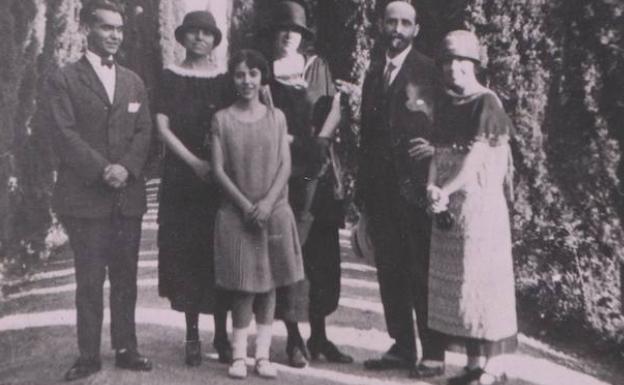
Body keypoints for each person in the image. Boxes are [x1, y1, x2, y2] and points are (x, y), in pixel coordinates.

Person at [40, 1, 153, 381]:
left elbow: (144, 132)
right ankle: (88, 354)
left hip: (127, 197)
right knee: (89, 279)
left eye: (119, 29)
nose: (115, 35)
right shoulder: (64, 79)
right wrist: (102, 169)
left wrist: (127, 167)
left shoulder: (134, 81)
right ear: (87, 28)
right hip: (85, 198)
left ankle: (127, 347)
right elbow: (63, 133)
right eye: (106, 28)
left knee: (126, 277)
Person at [356, 0, 446, 378]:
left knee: (420, 269)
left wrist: (439, 150)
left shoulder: (430, 71)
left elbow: (455, 119)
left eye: (404, 23)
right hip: (380, 191)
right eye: (390, 21)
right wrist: (361, 198)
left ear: (416, 29)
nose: (396, 29)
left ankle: (434, 353)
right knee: (389, 268)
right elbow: (366, 136)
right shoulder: (375, 72)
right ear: (380, 24)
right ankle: (402, 346)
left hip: (416, 189)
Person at [265, 0, 353, 368]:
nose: (289, 36)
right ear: (274, 34)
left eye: (296, 31)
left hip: (318, 171)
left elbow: (334, 109)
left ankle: (319, 336)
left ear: (304, 37)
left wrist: (324, 139)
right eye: (284, 29)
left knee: (322, 257)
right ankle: (293, 338)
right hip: (284, 174)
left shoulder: (319, 68)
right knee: (289, 254)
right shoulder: (264, 72)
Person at [427, 30, 517, 385]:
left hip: (479, 209)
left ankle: (492, 369)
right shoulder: (447, 103)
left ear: (474, 64)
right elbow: (437, 152)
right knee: (461, 288)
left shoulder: (487, 103)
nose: (453, 69)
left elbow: (477, 158)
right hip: (449, 206)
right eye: (447, 62)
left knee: (484, 285)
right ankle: (472, 364)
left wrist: (445, 190)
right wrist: (432, 187)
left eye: (461, 62)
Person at [211, 49, 305, 380]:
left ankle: (262, 355)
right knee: (243, 286)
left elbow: (285, 164)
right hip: (237, 214)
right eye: (239, 74)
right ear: (232, 79)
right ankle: (239, 355)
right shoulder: (222, 118)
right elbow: (219, 170)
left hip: (273, 210)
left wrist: (266, 203)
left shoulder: (276, 117)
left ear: (262, 77)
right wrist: (245, 204)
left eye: (253, 73)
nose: (247, 80)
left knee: (269, 285)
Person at [155, 10, 233, 366]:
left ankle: (221, 333)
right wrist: (194, 163)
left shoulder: (225, 79)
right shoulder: (170, 77)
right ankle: (191, 335)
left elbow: (234, 125)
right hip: (183, 180)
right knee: (186, 253)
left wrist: (216, 166)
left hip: (219, 180)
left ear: (215, 39)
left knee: (218, 252)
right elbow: (163, 126)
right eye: (193, 32)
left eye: (207, 33)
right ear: (183, 37)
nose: (199, 38)